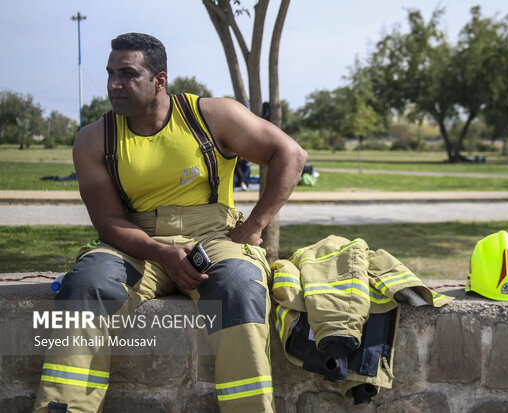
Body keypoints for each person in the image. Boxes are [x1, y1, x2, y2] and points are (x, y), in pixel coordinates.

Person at [34, 32, 307, 413]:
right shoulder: (95, 139)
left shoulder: (210, 116)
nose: (114, 84)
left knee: (240, 288)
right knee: (87, 284)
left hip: (214, 236)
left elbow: (290, 154)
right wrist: (161, 252)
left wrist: (253, 227)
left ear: (160, 80)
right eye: (110, 73)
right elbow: (108, 219)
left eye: (127, 74)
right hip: (136, 242)